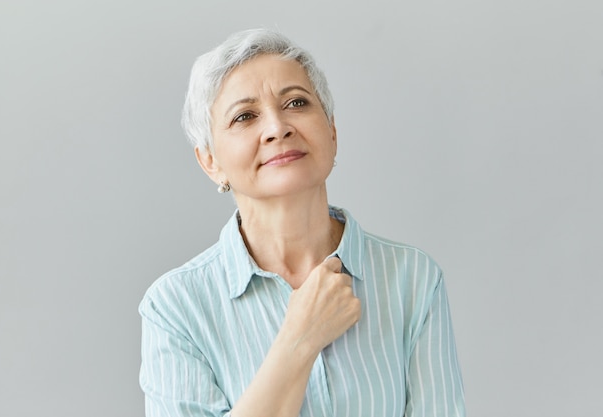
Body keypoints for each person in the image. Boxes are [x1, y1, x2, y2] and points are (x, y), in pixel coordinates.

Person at [139, 28, 466, 417]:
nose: (278, 127)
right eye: (245, 116)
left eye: (296, 102)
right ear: (210, 161)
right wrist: (299, 339)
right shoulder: (175, 308)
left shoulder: (413, 279)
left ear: (331, 130)